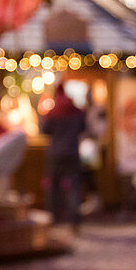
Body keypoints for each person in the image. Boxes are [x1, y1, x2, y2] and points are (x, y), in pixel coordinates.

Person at [41, 83, 88, 229]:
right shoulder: (75, 110)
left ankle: (55, 218)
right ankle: (74, 219)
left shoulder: (53, 111)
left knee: (54, 187)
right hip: (72, 153)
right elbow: (83, 128)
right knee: (74, 187)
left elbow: (44, 131)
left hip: (56, 153)